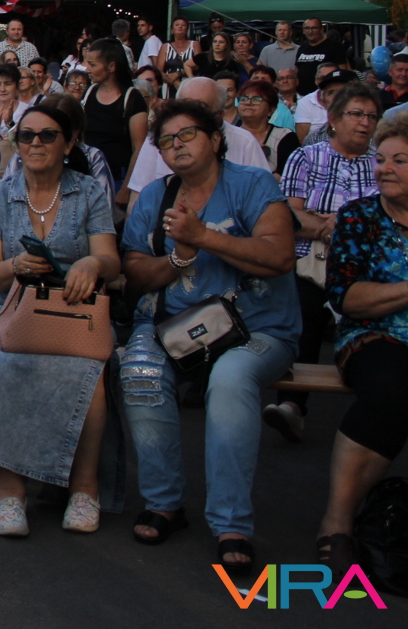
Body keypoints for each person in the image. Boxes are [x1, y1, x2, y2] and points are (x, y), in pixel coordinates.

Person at [119, 99, 298, 572]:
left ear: (216, 139)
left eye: (187, 134)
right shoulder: (155, 197)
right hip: (174, 327)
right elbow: (134, 270)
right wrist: (178, 259)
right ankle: (164, 502)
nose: (176, 145)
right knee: (138, 370)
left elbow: (281, 256)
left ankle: (231, 522)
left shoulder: (254, 184)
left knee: (230, 379)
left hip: (257, 327)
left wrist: (203, 237)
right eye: (166, 140)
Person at [0, 103, 121, 537]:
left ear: (69, 143)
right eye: (26, 135)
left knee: (88, 369)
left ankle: (84, 488)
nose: (35, 143)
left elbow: (111, 260)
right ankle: (9, 491)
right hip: (8, 304)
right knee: (0, 362)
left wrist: (92, 264)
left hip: (73, 308)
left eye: (48, 135)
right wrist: (15, 265)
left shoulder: (88, 191)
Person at [311, 111, 408, 566]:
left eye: (399, 160)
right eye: (381, 159)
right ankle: (338, 520)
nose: (385, 168)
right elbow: (347, 297)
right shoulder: (360, 217)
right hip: (372, 336)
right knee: (392, 384)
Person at [264, 81, 381, 442]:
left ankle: (375, 409)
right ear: (333, 119)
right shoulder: (306, 157)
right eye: (356, 114)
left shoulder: (383, 162)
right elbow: (290, 216)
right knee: (304, 314)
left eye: (372, 116)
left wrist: (336, 224)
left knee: (375, 323)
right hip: (309, 263)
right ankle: (292, 406)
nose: (365, 122)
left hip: (364, 266)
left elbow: (386, 220)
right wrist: (341, 226)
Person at [123, 77, 272, 197]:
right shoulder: (159, 139)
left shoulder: (245, 142)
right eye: (184, 110)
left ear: (220, 114)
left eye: (200, 113)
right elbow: (138, 195)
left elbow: (264, 197)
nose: (190, 120)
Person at [80, 37, 147, 197]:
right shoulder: (89, 94)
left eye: (93, 65)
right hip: (89, 179)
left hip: (118, 179)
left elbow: (139, 149)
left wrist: (126, 189)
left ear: (111, 66)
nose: (87, 70)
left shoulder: (132, 98)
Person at [234, 81, 298, 178]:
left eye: (256, 99)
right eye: (243, 98)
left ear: (271, 109)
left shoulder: (286, 137)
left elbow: (286, 175)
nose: (248, 103)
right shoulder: (227, 134)